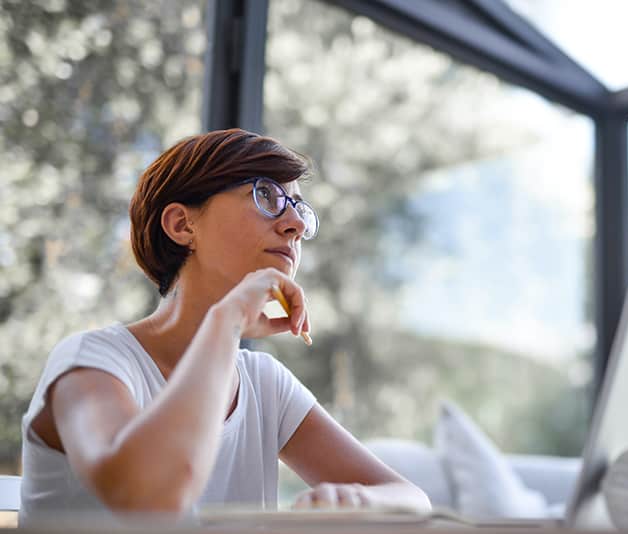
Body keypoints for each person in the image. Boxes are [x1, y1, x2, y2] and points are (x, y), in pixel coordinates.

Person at [19, 129, 431, 522]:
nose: (297, 225)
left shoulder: (265, 384)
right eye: (266, 195)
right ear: (182, 225)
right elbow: (150, 498)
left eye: (299, 208)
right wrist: (227, 320)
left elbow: (413, 500)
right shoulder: (92, 362)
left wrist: (354, 499)